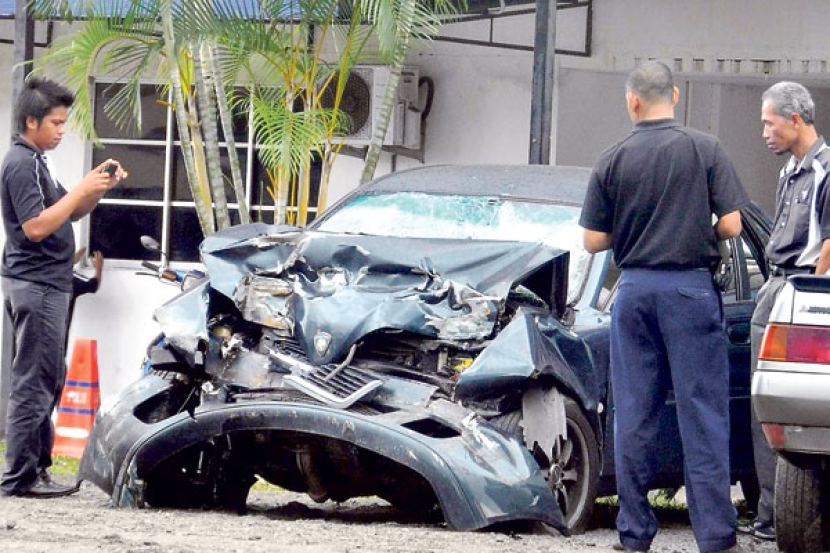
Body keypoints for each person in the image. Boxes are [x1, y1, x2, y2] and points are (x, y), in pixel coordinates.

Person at [579, 61, 749, 553]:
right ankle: (715, 537)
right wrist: (696, 228)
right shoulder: (705, 148)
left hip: (634, 293)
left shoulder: (612, 158)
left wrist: (634, 230)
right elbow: (733, 225)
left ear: (632, 101)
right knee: (703, 415)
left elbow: (592, 240)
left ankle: (634, 534)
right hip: (691, 293)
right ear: (674, 96)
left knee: (633, 415)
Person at [0, 77, 127, 498]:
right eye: (55, 123)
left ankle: (35, 470)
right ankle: (20, 477)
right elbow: (35, 227)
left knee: (48, 377)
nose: (61, 131)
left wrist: (95, 188)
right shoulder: (21, 164)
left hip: (48, 283)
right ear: (31, 121)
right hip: (36, 284)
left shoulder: (38, 161)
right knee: (34, 381)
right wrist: (80, 191)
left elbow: (68, 213)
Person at [741, 81, 830, 541]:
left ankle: (784, 516)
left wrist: (810, 294)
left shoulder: (825, 170)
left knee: (787, 412)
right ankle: (769, 514)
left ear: (795, 120)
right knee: (764, 405)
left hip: (801, 289)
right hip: (774, 287)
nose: (763, 133)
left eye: (768, 123)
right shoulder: (789, 171)